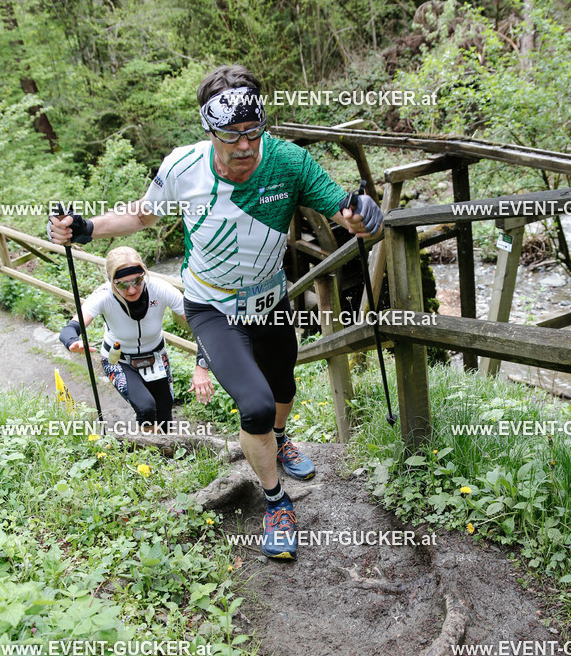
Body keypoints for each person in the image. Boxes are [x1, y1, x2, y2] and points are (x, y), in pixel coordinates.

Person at [48, 64, 383, 559]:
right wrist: (84, 228)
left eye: (253, 132)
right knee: (256, 406)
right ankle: (276, 503)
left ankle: (281, 441)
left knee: (284, 387)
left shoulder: (290, 162)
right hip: (211, 307)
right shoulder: (183, 167)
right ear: (209, 131)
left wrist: (365, 218)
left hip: (270, 302)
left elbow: (347, 214)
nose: (245, 146)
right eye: (231, 136)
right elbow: (143, 214)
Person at [58, 246, 191, 433]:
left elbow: (196, 320)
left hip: (156, 356)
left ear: (144, 274)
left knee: (165, 412)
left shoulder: (160, 289)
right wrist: (72, 342)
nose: (132, 289)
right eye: (122, 284)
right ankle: (151, 451)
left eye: (137, 280)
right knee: (146, 408)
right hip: (118, 360)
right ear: (112, 281)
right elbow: (70, 329)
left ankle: (166, 451)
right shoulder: (103, 295)